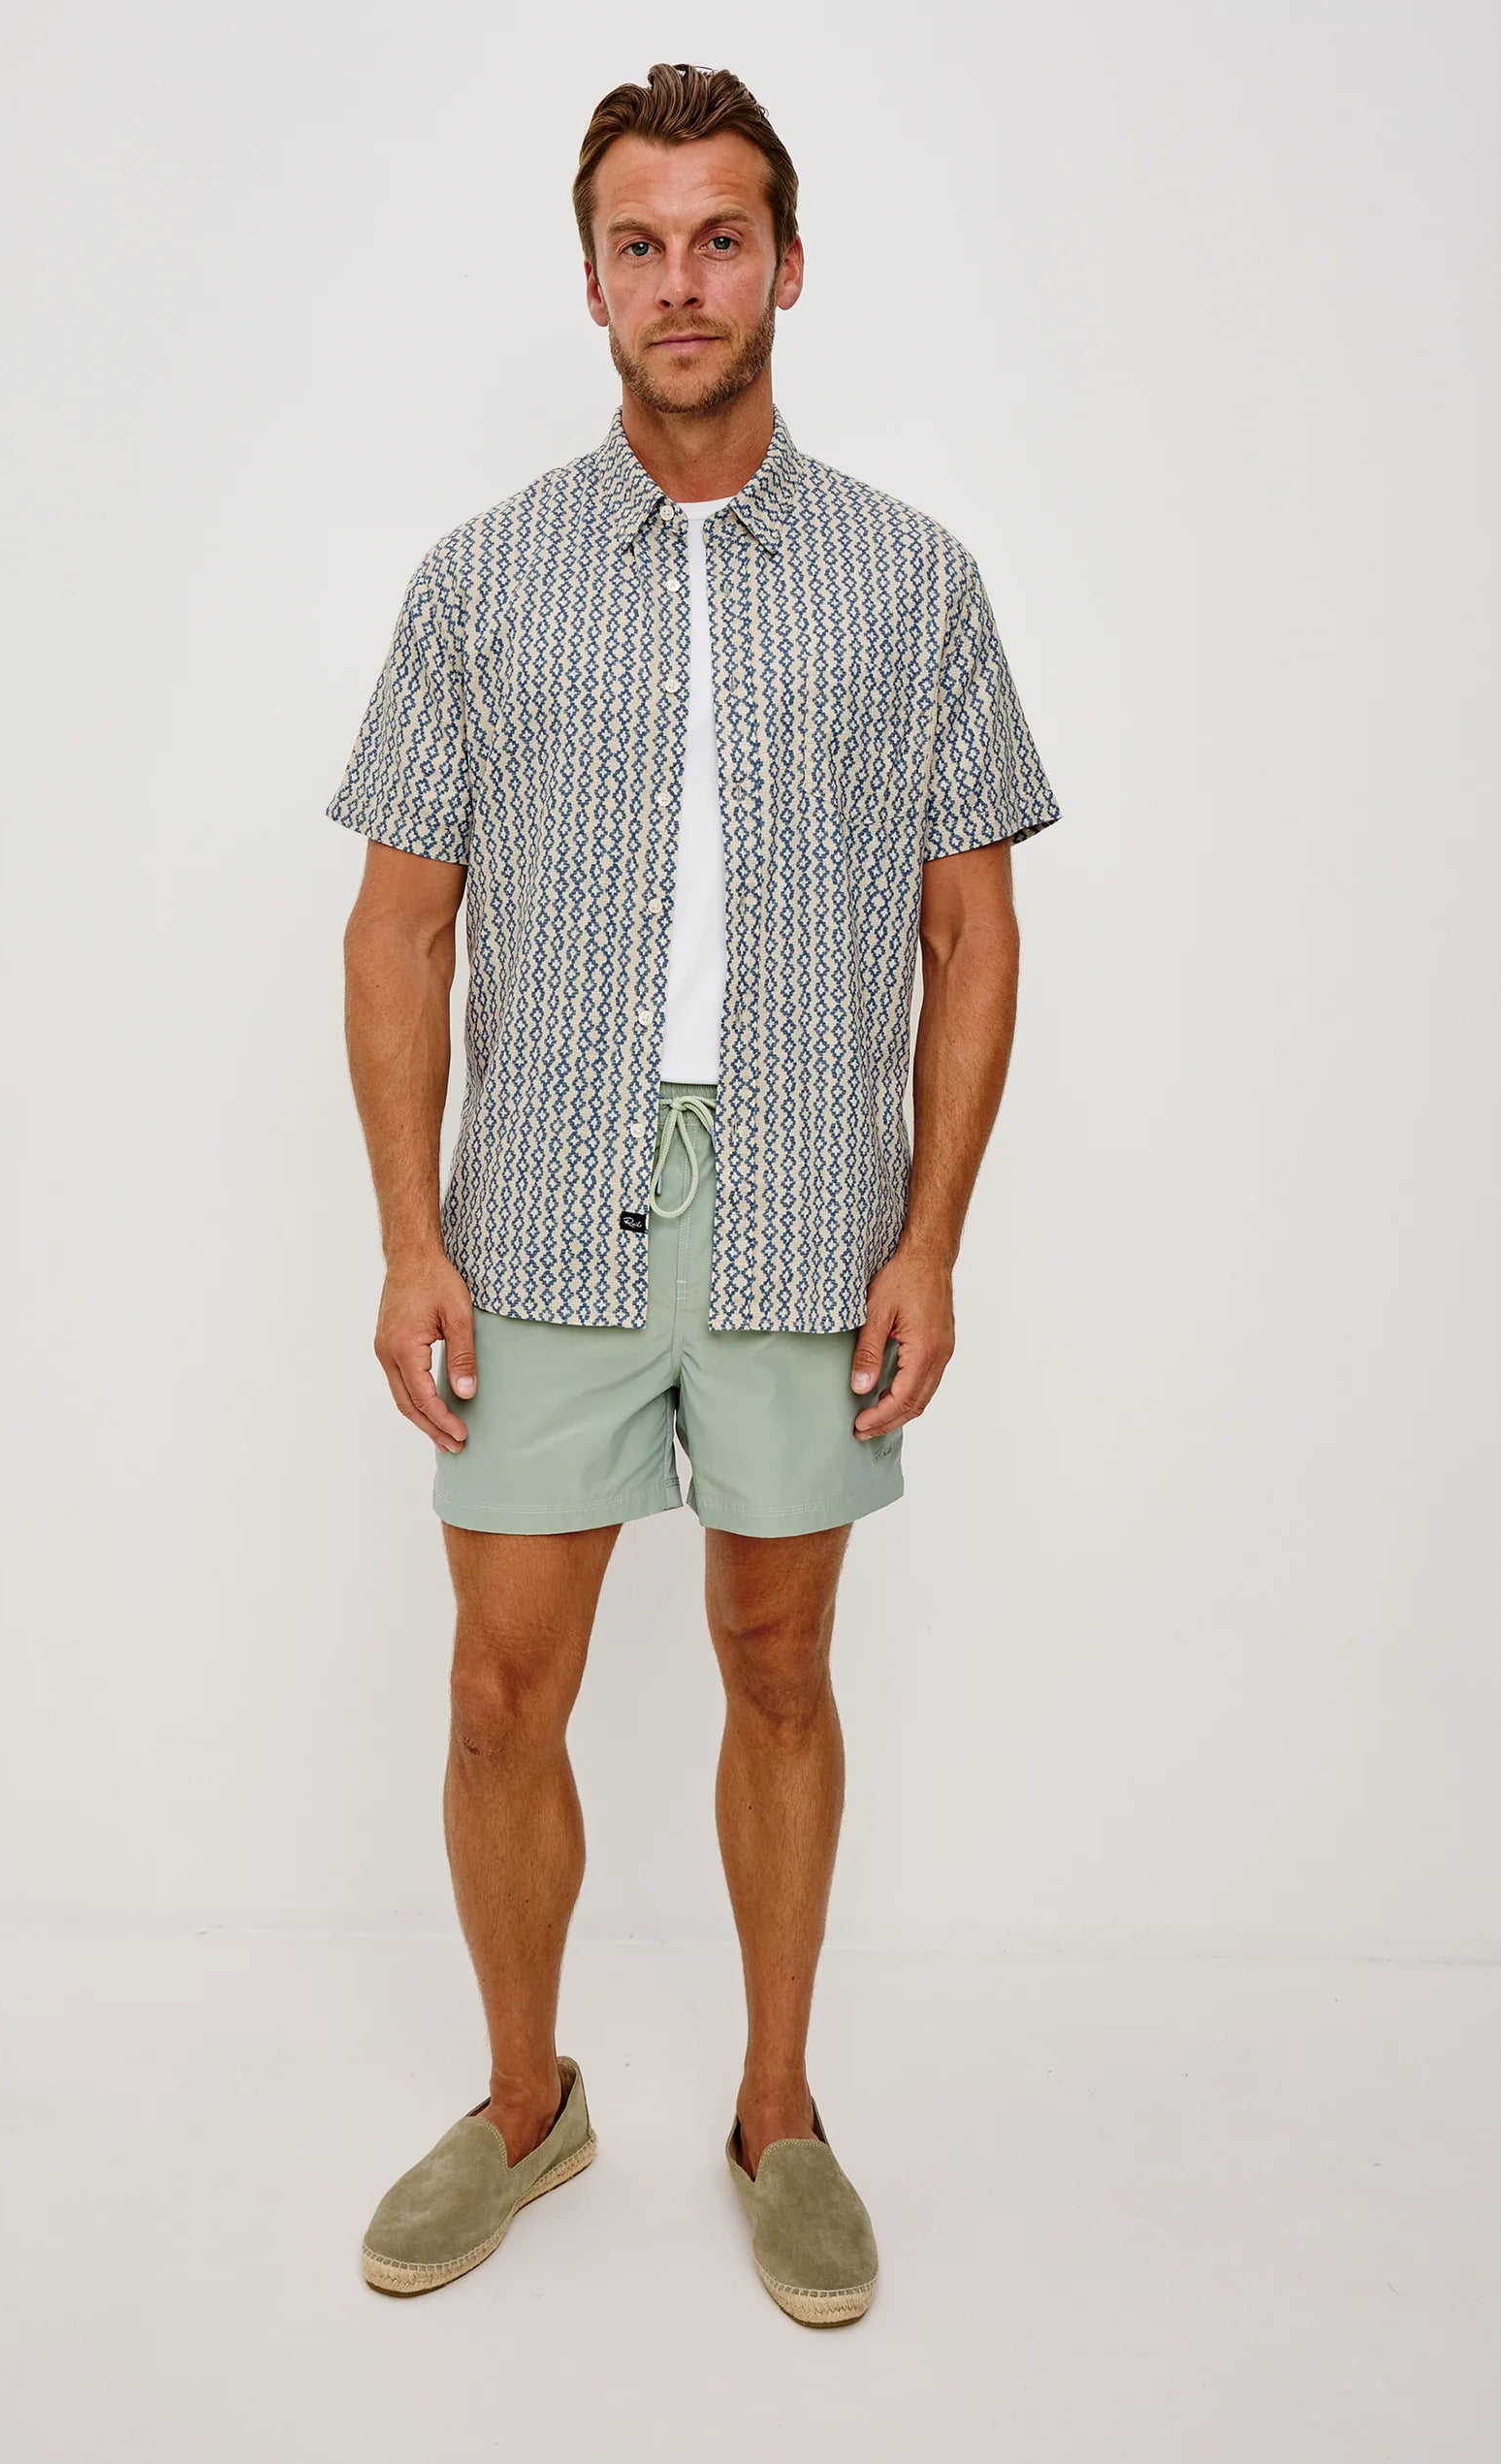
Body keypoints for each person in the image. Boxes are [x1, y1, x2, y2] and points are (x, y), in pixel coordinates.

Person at [326, 60, 1061, 2325]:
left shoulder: (911, 580)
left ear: (785, 266)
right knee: (496, 1688)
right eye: (637, 245)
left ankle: (775, 2111)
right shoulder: (479, 578)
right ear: (588, 282)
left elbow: (970, 931)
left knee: (776, 1659)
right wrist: (408, 1234)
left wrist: (927, 1236)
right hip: (542, 1199)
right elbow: (396, 927)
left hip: (806, 1201)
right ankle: (521, 2098)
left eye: (717, 238)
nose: (679, 282)